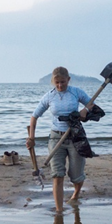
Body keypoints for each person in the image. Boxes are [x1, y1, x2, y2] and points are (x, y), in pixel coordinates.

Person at [26, 66, 93, 212]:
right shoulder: (49, 96)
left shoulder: (76, 92)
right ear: (52, 82)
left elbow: (91, 103)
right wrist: (31, 137)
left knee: (76, 175)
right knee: (57, 174)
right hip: (56, 138)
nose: (60, 86)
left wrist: (85, 110)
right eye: (57, 83)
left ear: (68, 80)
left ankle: (75, 193)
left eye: (63, 82)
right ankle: (59, 210)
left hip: (76, 137)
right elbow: (34, 116)